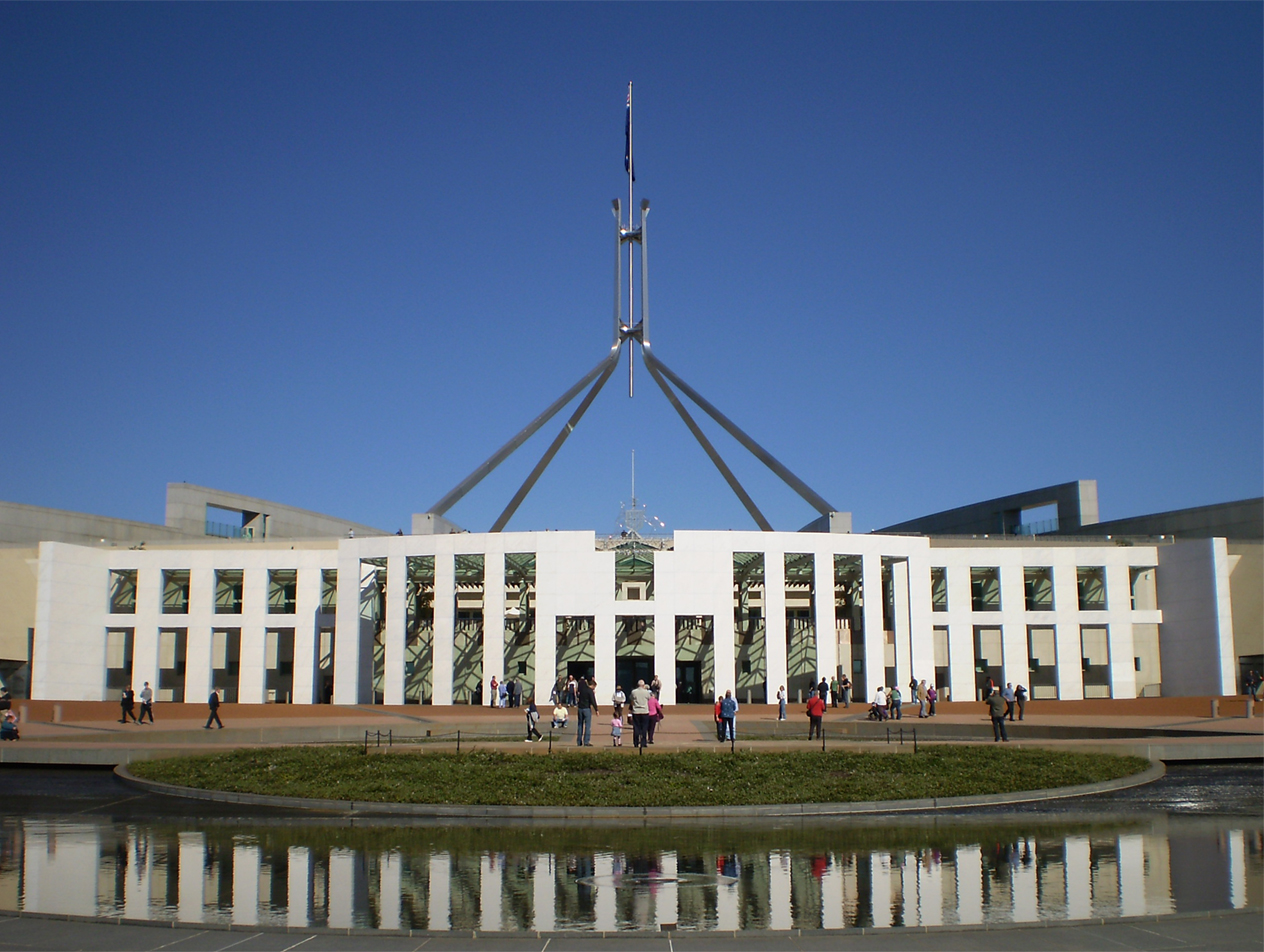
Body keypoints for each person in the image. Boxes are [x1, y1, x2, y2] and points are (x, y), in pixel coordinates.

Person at [575, 677, 598, 747]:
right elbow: (593, 700)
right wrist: (596, 710)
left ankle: (579, 741)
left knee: (580, 725)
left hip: (580, 708)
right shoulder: (590, 691)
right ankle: (586, 741)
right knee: (587, 726)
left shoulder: (582, 689)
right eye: (594, 687)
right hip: (586, 709)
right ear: (592, 685)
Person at [630, 679, 652, 748]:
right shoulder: (646, 692)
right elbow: (649, 698)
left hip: (636, 711)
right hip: (644, 711)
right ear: (643, 685)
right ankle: (643, 742)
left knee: (636, 727)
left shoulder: (634, 692)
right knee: (644, 728)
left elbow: (631, 698)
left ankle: (636, 742)